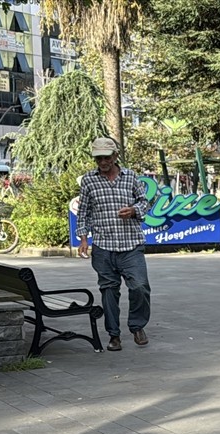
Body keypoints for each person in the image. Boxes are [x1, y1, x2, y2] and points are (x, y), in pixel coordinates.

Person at [76, 137, 152, 352]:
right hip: (103, 247)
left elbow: (145, 202)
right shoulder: (89, 180)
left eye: (106, 157)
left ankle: (137, 326)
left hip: (131, 245)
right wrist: (83, 239)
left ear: (115, 156)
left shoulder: (130, 177)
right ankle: (114, 335)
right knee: (109, 291)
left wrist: (134, 210)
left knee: (140, 287)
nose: (102, 161)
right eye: (98, 158)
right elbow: (84, 213)